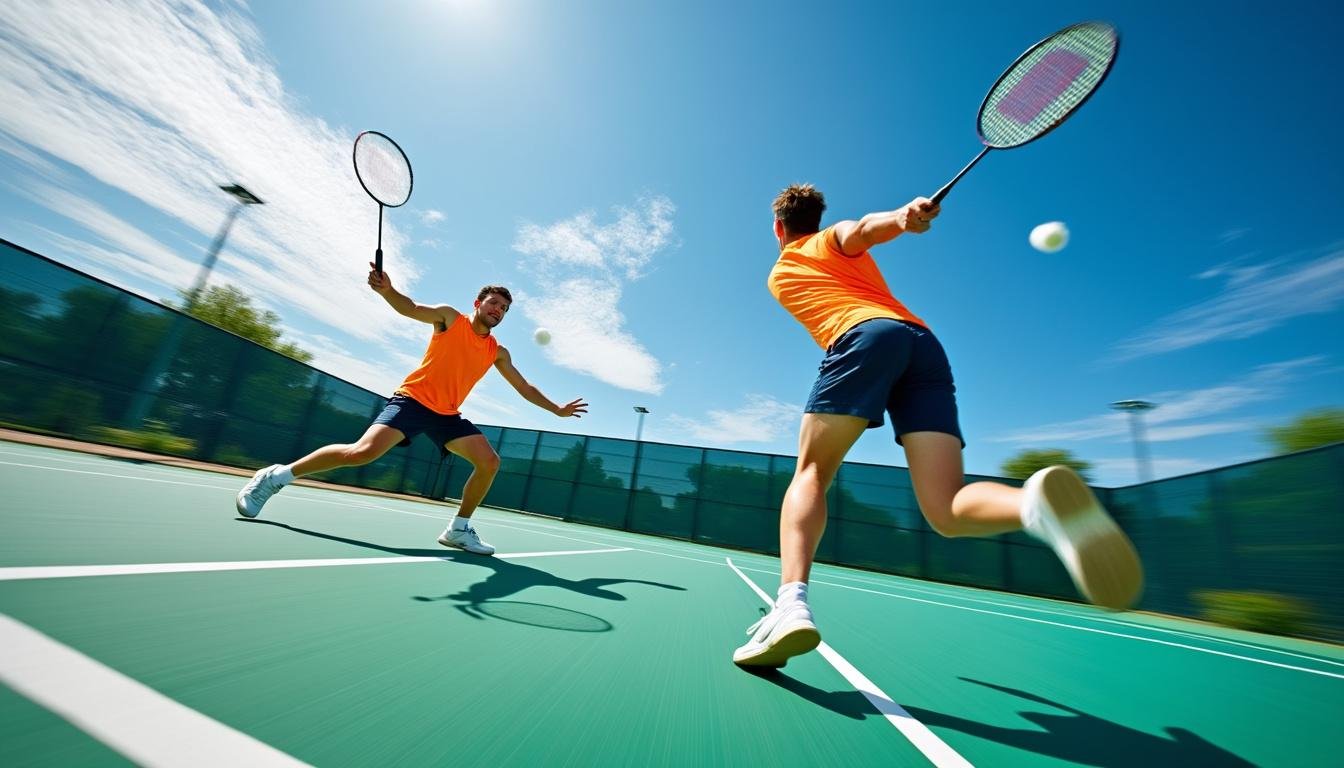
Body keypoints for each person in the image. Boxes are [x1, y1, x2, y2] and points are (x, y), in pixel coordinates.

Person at [733, 185, 1143, 667]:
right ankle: (1033, 505)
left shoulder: (787, 266)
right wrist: (901, 219)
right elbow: (859, 230)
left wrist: (901, 218)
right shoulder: (833, 242)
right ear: (817, 218)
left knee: (812, 474)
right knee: (946, 510)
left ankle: (791, 605)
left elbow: (860, 228)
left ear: (779, 227)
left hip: (863, 337)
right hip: (923, 344)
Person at [235, 264, 588, 555]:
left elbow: (524, 387)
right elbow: (412, 308)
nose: (498, 310)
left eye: (504, 309)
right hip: (413, 401)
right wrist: (387, 291)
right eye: (494, 303)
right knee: (361, 454)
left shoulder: (497, 351)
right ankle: (275, 477)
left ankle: (459, 530)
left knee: (490, 461)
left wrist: (556, 409)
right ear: (478, 302)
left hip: (447, 415)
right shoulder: (451, 319)